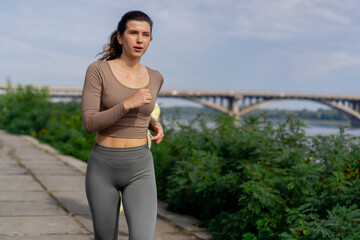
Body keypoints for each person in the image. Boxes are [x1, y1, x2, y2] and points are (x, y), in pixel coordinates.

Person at [81, 10, 164, 240]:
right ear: (120, 37)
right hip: (103, 167)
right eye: (133, 33)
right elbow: (89, 122)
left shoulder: (156, 77)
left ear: (150, 39)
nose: (139, 40)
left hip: (140, 166)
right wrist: (127, 104)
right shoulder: (98, 70)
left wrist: (153, 123)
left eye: (145, 34)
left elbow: (141, 112)